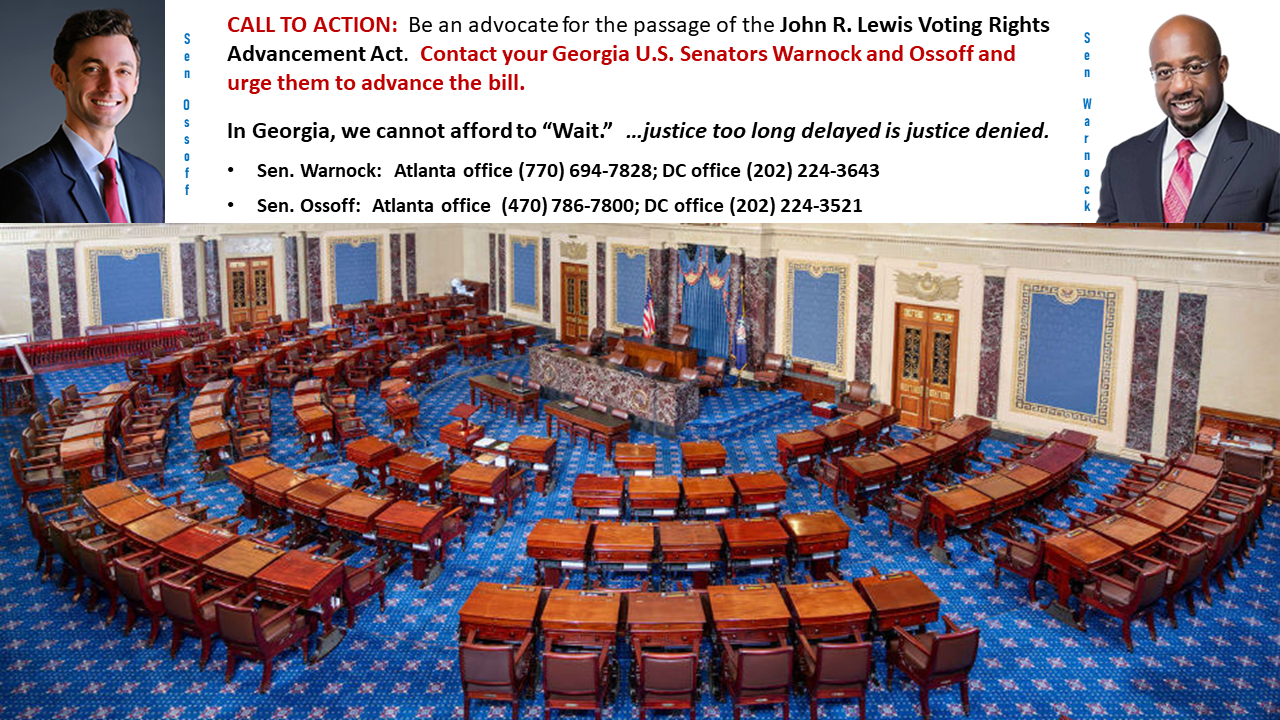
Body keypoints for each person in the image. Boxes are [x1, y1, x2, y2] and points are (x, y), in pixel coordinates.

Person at [1097, 15, 1280, 223]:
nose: (1179, 86)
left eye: (1194, 68)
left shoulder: (1273, 155)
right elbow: (1105, 252)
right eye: (1165, 72)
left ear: (1222, 69)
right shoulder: (1121, 162)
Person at [0, 9, 163, 223]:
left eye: (123, 71)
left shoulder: (150, 180)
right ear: (59, 78)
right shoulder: (24, 183)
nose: (110, 86)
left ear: (135, 83)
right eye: (93, 69)